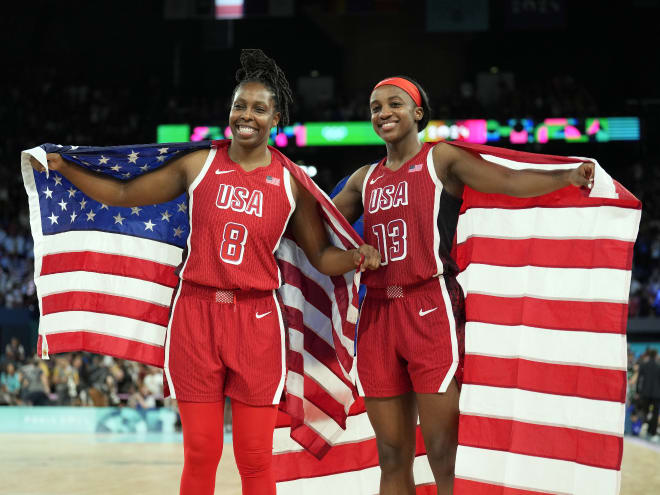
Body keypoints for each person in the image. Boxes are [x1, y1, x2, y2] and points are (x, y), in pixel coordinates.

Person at [30, 49, 380, 495]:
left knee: (254, 461)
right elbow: (122, 192)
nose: (245, 115)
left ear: (276, 118)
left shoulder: (291, 182)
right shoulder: (199, 164)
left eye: (258, 108)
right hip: (196, 315)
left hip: (257, 322)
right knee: (201, 454)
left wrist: (354, 257)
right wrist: (65, 167)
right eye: (239, 105)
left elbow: (319, 257)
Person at [332, 76, 594, 494]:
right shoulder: (364, 179)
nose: (384, 113)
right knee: (392, 455)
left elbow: (507, 181)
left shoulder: (442, 160)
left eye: (395, 103)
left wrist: (566, 176)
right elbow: (322, 222)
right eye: (375, 106)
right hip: (378, 313)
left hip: (429, 305)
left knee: (442, 450)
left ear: (418, 112)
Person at [637, 347, 660, 441]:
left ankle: (644, 430)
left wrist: (638, 391)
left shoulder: (643, 365)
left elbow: (639, 380)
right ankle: (652, 433)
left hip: (645, 393)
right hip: (656, 394)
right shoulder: (659, 366)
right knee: (654, 414)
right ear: (655, 355)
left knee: (645, 412)